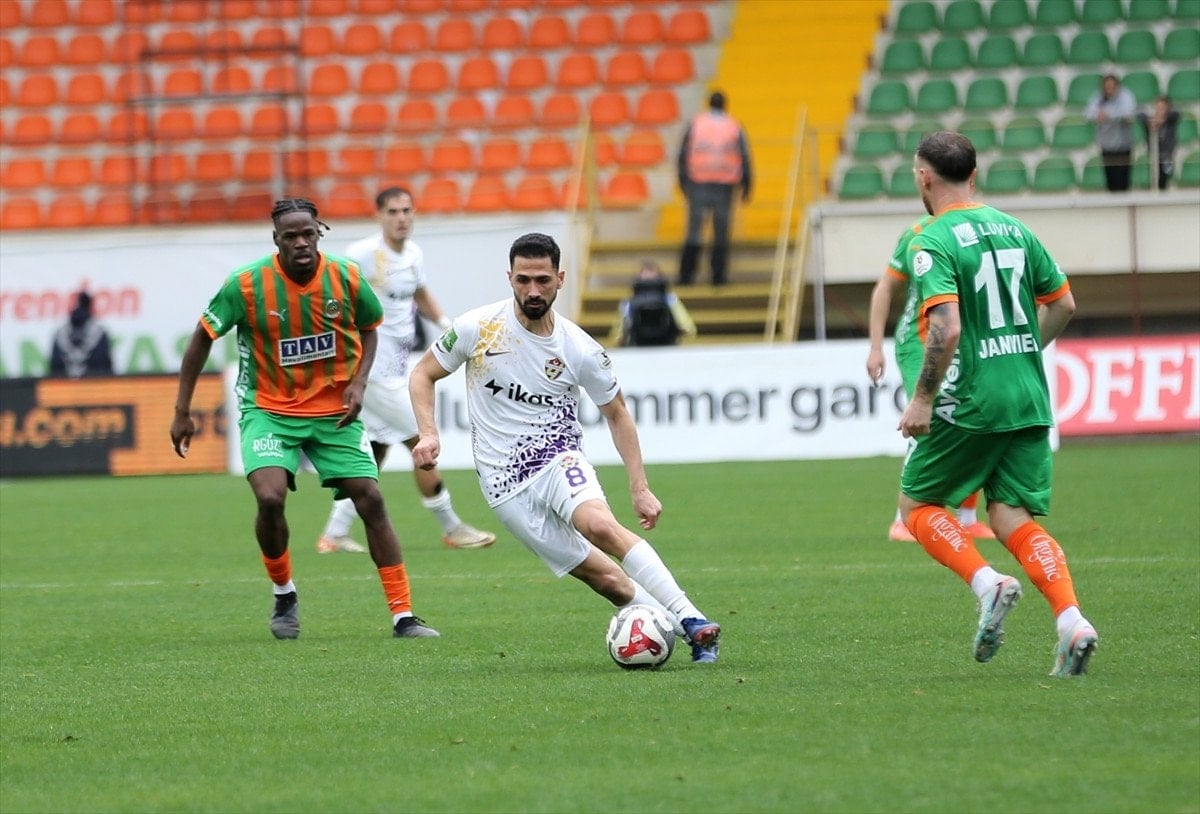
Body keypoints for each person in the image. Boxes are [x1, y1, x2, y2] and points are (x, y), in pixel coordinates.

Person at [408, 232, 722, 663]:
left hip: (558, 457)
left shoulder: (579, 348)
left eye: (542, 280)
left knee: (600, 526)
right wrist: (429, 433)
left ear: (560, 279)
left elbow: (617, 413)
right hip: (503, 485)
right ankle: (684, 634)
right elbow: (422, 374)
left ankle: (691, 617)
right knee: (608, 581)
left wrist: (640, 488)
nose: (532, 290)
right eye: (523, 280)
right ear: (510, 278)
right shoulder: (478, 328)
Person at [170, 197, 439, 640]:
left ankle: (404, 615)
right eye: (290, 236)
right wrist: (182, 410)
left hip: (334, 411)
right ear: (276, 240)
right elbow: (202, 337)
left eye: (307, 234)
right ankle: (284, 592)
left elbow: (370, 328)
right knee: (270, 497)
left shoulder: (345, 276)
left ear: (319, 234)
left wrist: (359, 383)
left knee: (370, 497)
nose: (300, 243)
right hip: (269, 409)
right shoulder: (246, 284)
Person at [897, 132, 1098, 677]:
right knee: (1011, 515)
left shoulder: (931, 240)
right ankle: (1071, 620)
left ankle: (988, 584)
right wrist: (1023, 350)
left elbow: (946, 327)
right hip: (1028, 395)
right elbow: (1064, 303)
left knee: (916, 506)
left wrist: (922, 399)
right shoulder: (1015, 228)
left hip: (974, 399)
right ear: (973, 174)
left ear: (924, 178)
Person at [315, 186, 497, 554]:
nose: (401, 218)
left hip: (397, 367)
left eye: (406, 211)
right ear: (379, 216)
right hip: (372, 371)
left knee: (377, 449)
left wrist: (447, 325)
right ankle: (452, 527)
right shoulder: (361, 254)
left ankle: (333, 534)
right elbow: (331, 294)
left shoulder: (414, 254)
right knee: (421, 441)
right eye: (393, 212)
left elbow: (420, 295)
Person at [867, 218, 995, 543]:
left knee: (972, 418)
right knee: (927, 417)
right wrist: (876, 348)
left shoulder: (982, 229)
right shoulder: (917, 234)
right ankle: (903, 520)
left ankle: (967, 518)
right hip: (917, 341)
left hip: (961, 340)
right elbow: (885, 287)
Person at [677, 90, 752, 287]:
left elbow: (682, 154)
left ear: (709, 103)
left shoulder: (696, 123)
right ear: (725, 104)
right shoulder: (733, 125)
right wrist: (747, 184)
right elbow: (745, 156)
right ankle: (718, 276)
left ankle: (686, 276)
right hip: (724, 185)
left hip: (698, 182)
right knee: (721, 232)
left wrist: (683, 181)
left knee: (694, 230)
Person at [609, 260, 698, 347]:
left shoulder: (671, 300)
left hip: (667, 346)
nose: (649, 279)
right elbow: (617, 335)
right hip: (637, 347)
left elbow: (689, 328)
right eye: (645, 276)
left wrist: (680, 330)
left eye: (652, 276)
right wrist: (622, 336)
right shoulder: (627, 304)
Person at [1084, 74, 1137, 192]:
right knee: (1111, 181)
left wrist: (1108, 115)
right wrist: (1097, 116)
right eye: (1107, 87)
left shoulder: (1125, 95)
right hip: (1107, 145)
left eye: (1112, 87)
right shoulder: (1098, 97)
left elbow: (1129, 112)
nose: (1109, 90)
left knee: (1123, 181)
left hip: (1123, 145)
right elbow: (1088, 114)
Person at [48, 289, 113, 378]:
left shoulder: (60, 333)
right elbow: (106, 366)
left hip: (64, 384)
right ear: (90, 306)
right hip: (94, 383)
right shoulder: (100, 332)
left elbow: (54, 366)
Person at [1138, 95, 1181, 191]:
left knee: (1165, 175)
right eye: (1158, 107)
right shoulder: (1149, 119)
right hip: (1153, 155)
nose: (1160, 110)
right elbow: (1139, 114)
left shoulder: (1171, 119)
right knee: (1153, 176)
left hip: (1167, 155)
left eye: (1163, 107)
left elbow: (1177, 113)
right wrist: (1150, 122)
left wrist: (1163, 119)